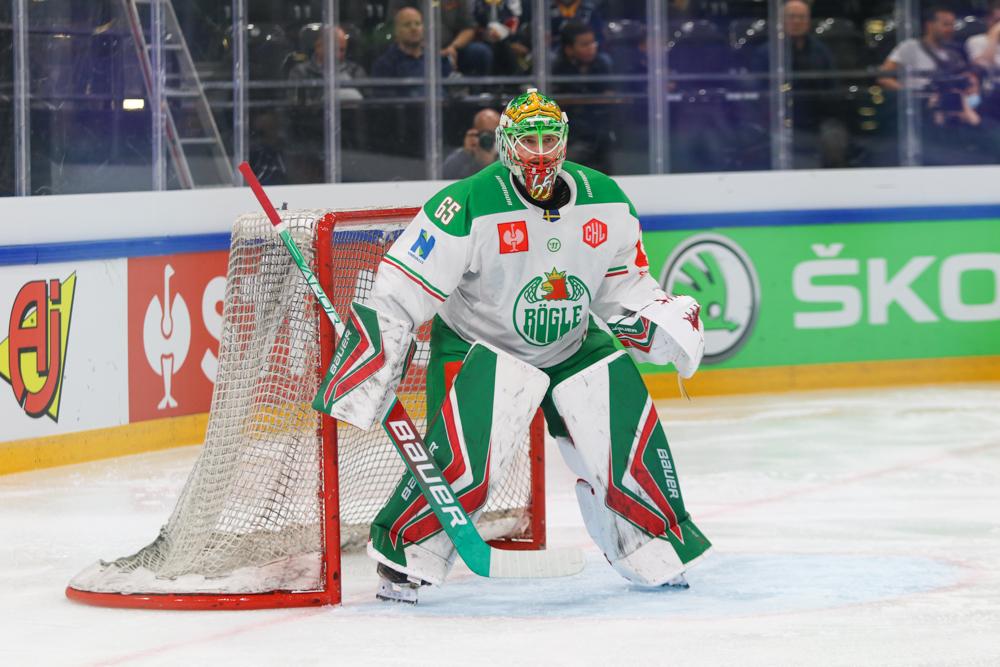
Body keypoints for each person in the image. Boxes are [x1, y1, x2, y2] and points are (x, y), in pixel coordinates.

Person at [316, 89, 712, 604]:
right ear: (507, 144)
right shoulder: (467, 203)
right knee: (464, 463)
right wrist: (375, 355)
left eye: (549, 139)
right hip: (479, 346)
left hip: (572, 341)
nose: (540, 152)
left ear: (564, 141)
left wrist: (654, 318)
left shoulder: (607, 199)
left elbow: (623, 282)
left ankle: (652, 545)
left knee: (623, 425)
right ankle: (407, 555)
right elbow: (401, 286)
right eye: (528, 140)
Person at [751, 0, 849, 168]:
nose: (797, 21)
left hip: (816, 119)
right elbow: (759, 93)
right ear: (782, 20)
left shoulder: (821, 51)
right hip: (775, 119)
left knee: (834, 136)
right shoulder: (766, 53)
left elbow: (832, 88)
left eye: (801, 17)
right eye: (792, 17)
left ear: (808, 21)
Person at [552, 20, 614, 172]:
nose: (591, 48)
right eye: (585, 44)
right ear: (569, 49)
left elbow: (610, 94)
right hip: (570, 135)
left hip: (600, 131)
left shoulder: (602, 64)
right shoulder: (556, 68)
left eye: (593, 43)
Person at [390, 0, 492, 75]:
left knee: (480, 52)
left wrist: (453, 47)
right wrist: (429, 50)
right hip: (416, 49)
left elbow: (468, 28)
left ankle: (478, 94)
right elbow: (398, 25)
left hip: (450, 50)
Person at [372, 6, 453, 97]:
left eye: (417, 24)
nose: (414, 28)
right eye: (407, 24)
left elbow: (451, 92)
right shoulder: (384, 64)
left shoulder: (438, 60)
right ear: (396, 31)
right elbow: (385, 100)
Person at [288, 26, 366, 104]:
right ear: (318, 47)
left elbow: (367, 103)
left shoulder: (355, 71)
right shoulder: (300, 72)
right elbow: (293, 104)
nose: (338, 55)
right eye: (334, 49)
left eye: (342, 50)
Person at [442, 108, 501, 179]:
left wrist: (492, 162)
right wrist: (466, 153)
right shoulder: (464, 156)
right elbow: (446, 174)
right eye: (485, 134)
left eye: (494, 134)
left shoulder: (506, 154)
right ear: (475, 132)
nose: (489, 138)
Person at [966, 1, 1000, 120]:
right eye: (997, 21)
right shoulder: (976, 41)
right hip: (990, 95)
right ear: (988, 20)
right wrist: (994, 36)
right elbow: (983, 65)